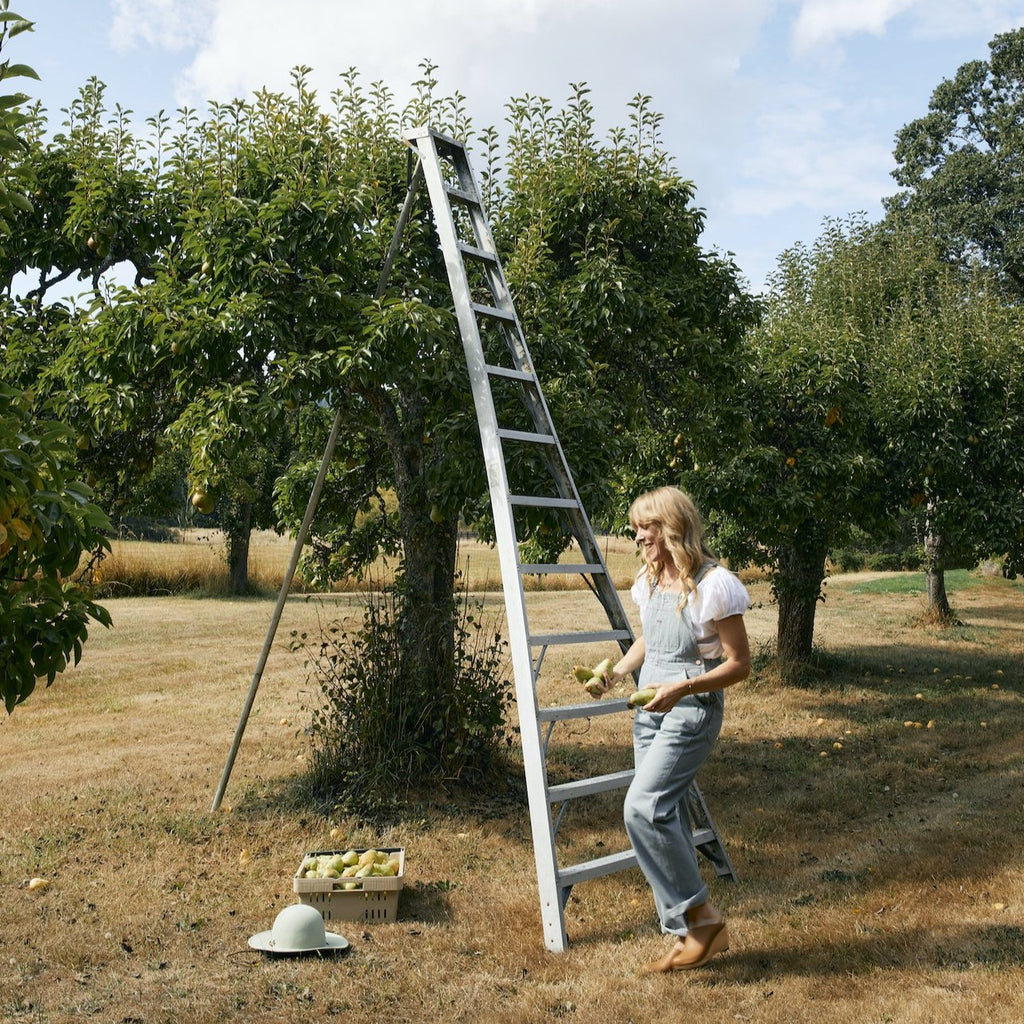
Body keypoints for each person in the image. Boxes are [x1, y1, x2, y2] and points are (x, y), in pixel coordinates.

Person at [601, 486, 751, 973]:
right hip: (649, 711)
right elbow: (650, 635)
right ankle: (689, 932)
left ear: (674, 528)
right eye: (637, 526)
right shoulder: (649, 582)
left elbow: (739, 664)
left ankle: (700, 916)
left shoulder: (714, 584)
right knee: (667, 816)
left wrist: (682, 689)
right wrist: (619, 672)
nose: (639, 534)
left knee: (642, 808)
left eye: (648, 526)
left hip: (692, 711)